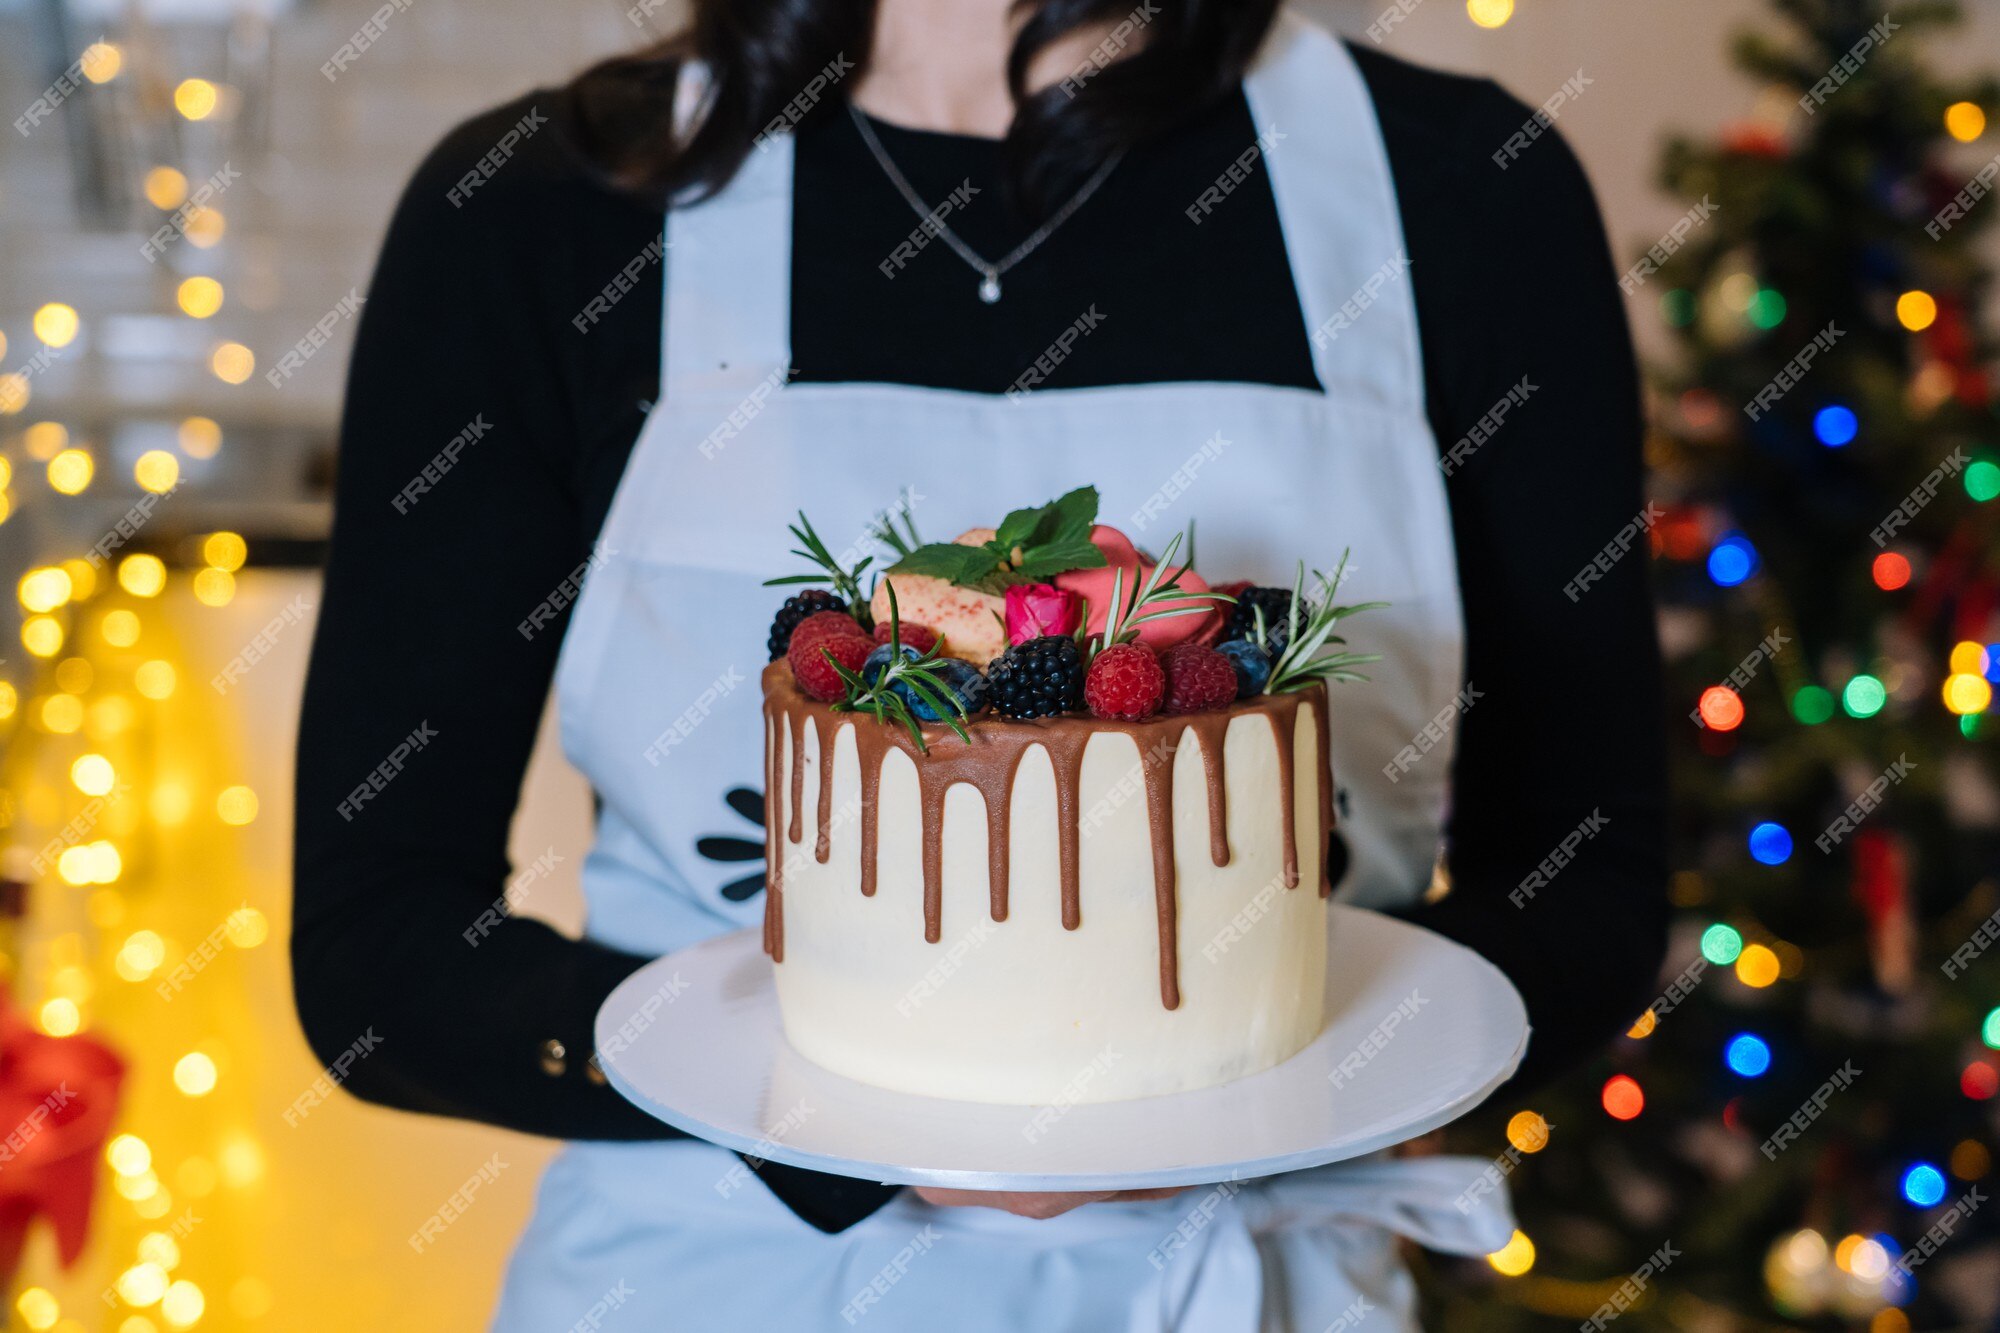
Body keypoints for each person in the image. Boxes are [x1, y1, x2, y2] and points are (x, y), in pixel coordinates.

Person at [293, 0, 1668, 1326]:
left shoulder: (1466, 190)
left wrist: (1247, 1080)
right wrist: (824, 1101)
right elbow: (378, 953)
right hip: (702, 1281)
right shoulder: (538, 210)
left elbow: (1588, 887)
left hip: (1255, 1283)